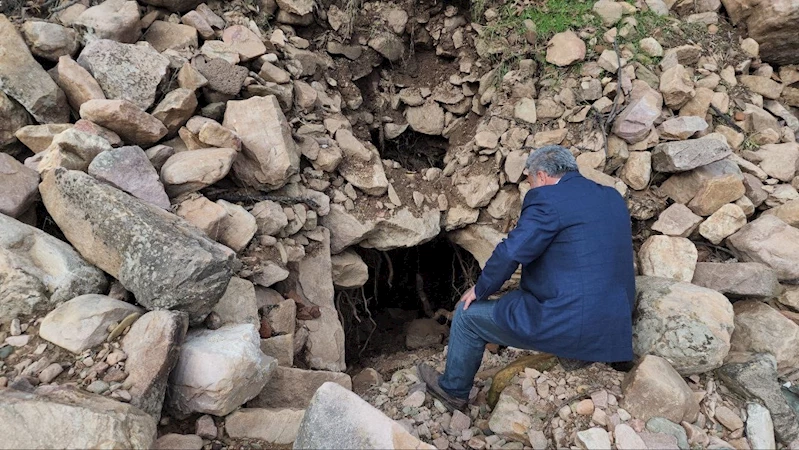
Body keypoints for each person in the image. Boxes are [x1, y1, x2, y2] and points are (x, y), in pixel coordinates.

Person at [419, 145, 636, 412]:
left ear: (542, 176)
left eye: (530, 180)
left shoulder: (548, 199)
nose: (530, 186)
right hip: (616, 323)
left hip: (571, 321)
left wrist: (482, 288)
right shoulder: (611, 197)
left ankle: (452, 391)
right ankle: (612, 355)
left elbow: (513, 251)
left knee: (467, 316)